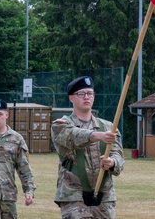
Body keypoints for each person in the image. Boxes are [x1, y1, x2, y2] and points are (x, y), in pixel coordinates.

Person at [52, 76, 124, 219]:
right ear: (71, 98)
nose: (86, 97)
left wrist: (112, 162)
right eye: (81, 94)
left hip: (104, 196)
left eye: (90, 93)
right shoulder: (60, 125)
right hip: (74, 195)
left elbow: (119, 157)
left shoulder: (108, 127)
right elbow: (73, 136)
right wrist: (98, 135)